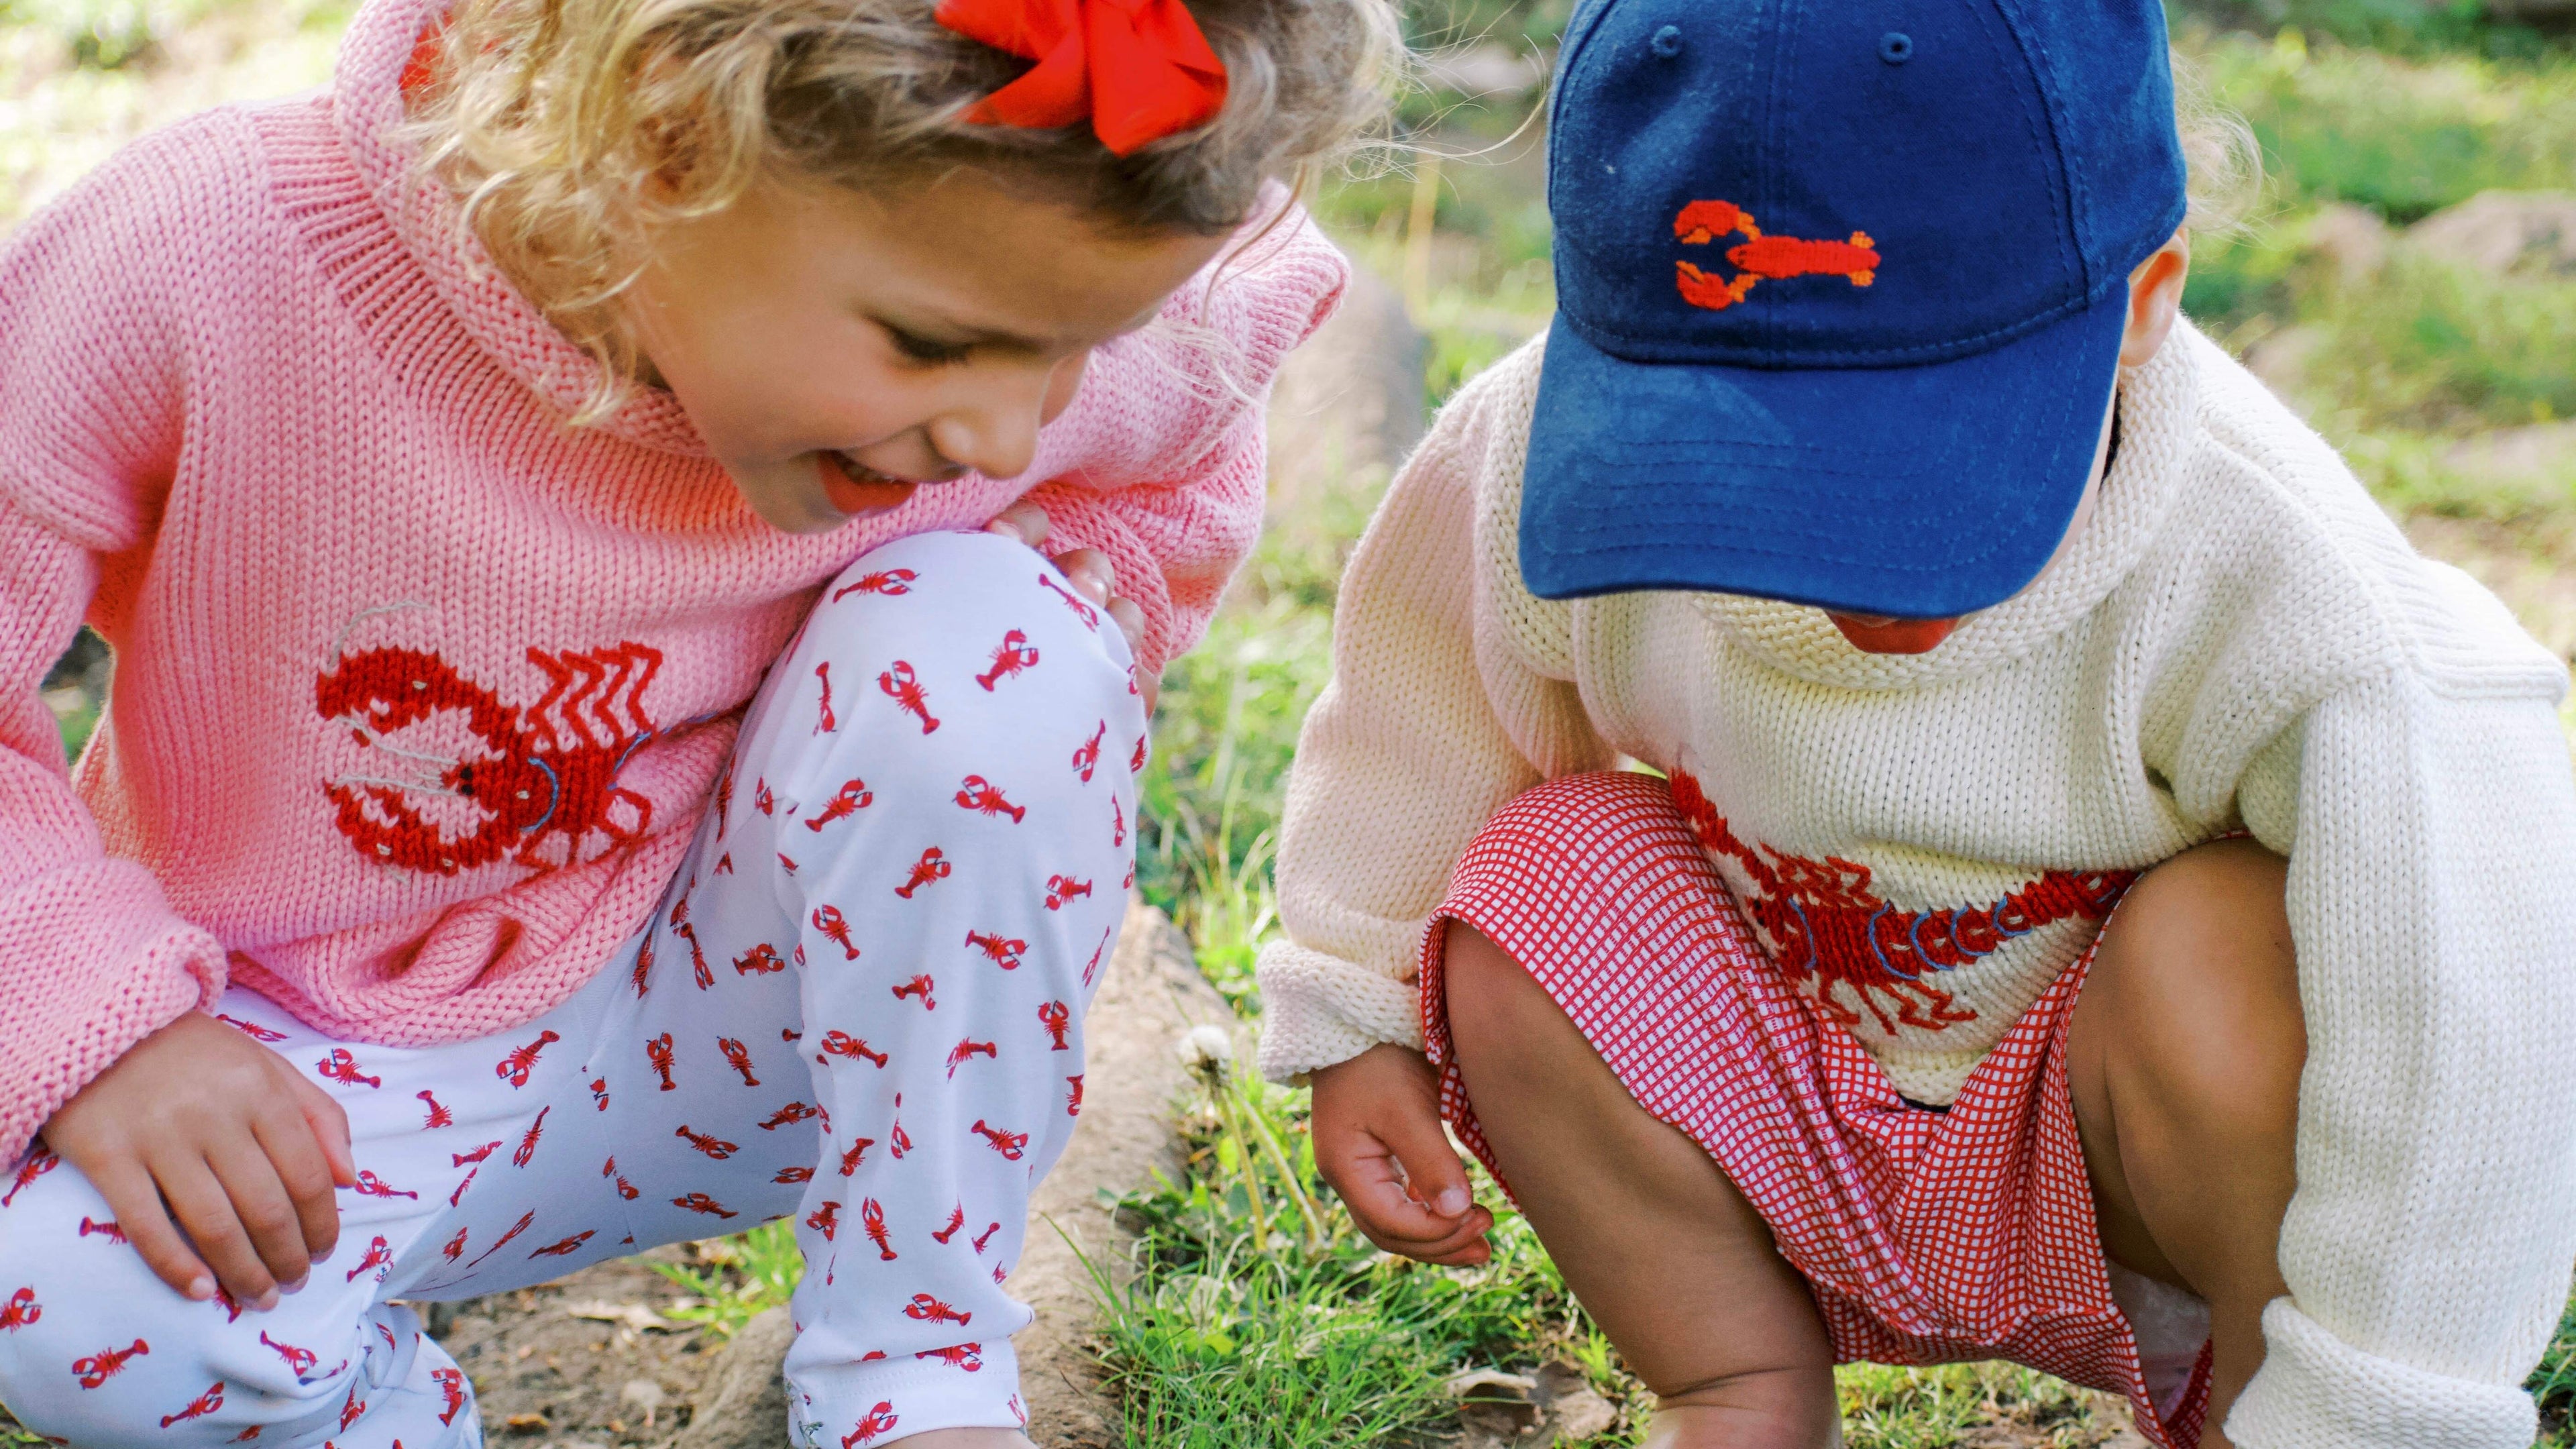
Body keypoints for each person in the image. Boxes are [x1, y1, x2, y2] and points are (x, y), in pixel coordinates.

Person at [0, 0, 1396, 1443]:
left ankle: (914, 1367)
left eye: (1073, 356)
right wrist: (103, 1020)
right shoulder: (212, 260)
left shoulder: (1032, 262)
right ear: (666, 141)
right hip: (299, 1086)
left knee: (995, 639)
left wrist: (1084, 595)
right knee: (75, 1305)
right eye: (931, 347)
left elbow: (1176, 464)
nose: (1005, 435)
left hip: (755, 1029)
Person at [1255, 2, 2576, 1447]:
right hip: (1781, 1102)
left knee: (2236, 950)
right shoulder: (1529, 455)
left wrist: (2377, 1400)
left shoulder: (2297, 598)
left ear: (2144, 300)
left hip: (2125, 1152)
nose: (1855, 571)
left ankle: (2255, 1418)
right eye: (1764, 485)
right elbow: (1425, 697)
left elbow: (2469, 998)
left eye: (1924, 485)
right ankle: (1737, 1384)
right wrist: (1356, 1008)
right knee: (1538, 879)